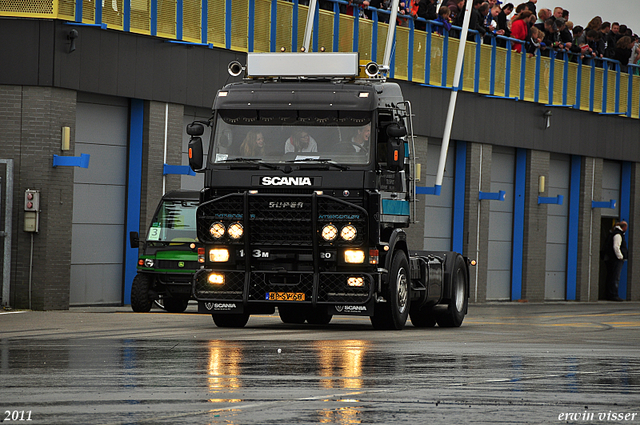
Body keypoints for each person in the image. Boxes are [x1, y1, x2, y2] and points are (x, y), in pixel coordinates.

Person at [603, 221, 628, 301]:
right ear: (624, 227)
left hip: (611, 259)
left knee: (611, 276)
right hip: (615, 259)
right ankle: (613, 295)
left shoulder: (614, 233)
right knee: (615, 277)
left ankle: (609, 294)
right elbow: (616, 247)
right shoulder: (618, 234)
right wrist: (620, 257)